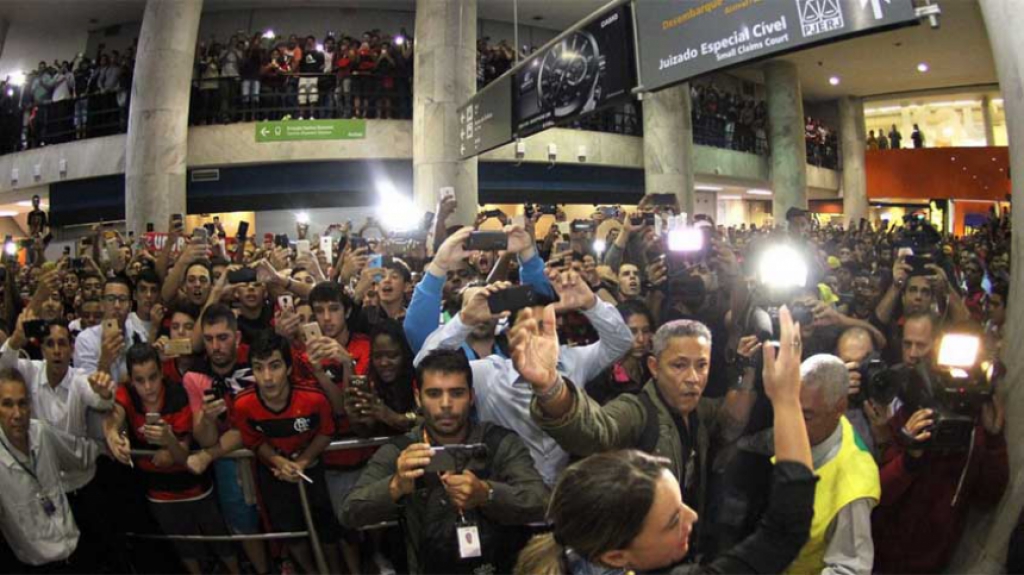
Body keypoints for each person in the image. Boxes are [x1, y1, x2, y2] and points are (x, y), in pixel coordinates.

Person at [512, 306, 815, 575]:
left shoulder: (698, 411)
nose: (693, 378)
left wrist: (746, 371)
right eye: (680, 365)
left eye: (702, 365)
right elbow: (594, 429)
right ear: (654, 367)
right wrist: (551, 387)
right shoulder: (636, 410)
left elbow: (732, 421)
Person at [414, 271, 632, 486]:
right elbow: (425, 363)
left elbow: (621, 342)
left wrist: (592, 304)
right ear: (510, 335)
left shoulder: (573, 362)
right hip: (505, 496)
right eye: (528, 328)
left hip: (565, 494)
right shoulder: (488, 374)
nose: (538, 337)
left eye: (545, 328)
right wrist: (465, 320)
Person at [342, 349, 550, 574]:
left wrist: (487, 493)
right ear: (417, 397)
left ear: (471, 396)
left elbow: (541, 503)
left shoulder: (499, 441)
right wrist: (395, 486)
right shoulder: (402, 450)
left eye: (456, 393)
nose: (446, 404)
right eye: (434, 393)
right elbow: (350, 513)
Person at [103, 344, 239, 575]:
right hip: (157, 493)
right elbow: (113, 416)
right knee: (182, 546)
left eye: (153, 377)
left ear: (161, 372)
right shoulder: (125, 393)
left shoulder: (177, 394)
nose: (148, 387)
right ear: (131, 380)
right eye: (140, 380)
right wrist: (113, 435)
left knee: (219, 540)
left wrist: (169, 440)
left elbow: (183, 455)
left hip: (194, 487)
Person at [232, 332, 344, 574]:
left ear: (289, 368)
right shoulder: (243, 404)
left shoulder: (313, 398)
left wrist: (303, 461)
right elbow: (253, 440)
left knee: (326, 526)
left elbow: (327, 431)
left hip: (313, 468)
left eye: (275, 366)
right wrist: (276, 459)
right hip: (274, 473)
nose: (267, 377)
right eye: (258, 368)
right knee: (290, 530)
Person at [0, 367, 102, 570]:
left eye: (22, 403)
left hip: (74, 549)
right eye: (7, 405)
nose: (17, 414)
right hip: (36, 565)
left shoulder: (41, 433)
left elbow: (81, 456)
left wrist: (114, 437)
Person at [73, 275, 149, 382]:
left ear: (130, 306)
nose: (117, 305)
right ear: (102, 304)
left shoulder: (138, 335)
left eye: (122, 299)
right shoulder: (85, 339)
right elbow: (86, 390)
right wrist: (105, 361)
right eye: (110, 299)